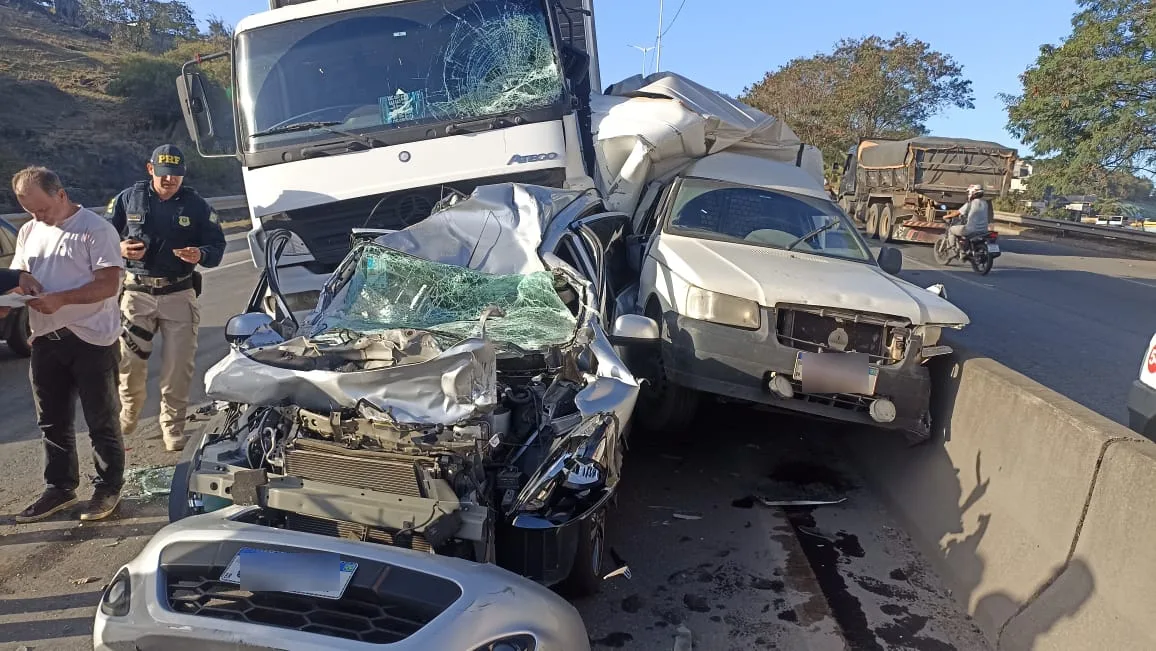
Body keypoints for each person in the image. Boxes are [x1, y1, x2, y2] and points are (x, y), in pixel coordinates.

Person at [7, 166, 127, 523]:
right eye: (30, 210)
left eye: (42, 208)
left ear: (61, 194)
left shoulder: (96, 229)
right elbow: (21, 276)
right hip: (44, 339)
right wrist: (15, 294)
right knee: (52, 422)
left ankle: (108, 487)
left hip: (92, 339)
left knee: (101, 420)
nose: (37, 216)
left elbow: (108, 285)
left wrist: (61, 300)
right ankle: (59, 488)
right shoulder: (29, 231)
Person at [105, 144, 226, 452]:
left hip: (178, 293)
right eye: (163, 175)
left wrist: (200, 253)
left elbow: (216, 246)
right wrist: (118, 249)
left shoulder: (197, 206)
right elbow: (102, 237)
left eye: (175, 176)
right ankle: (129, 413)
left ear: (183, 176)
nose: (169, 181)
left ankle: (173, 427)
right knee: (129, 363)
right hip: (137, 293)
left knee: (178, 367)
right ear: (151, 170)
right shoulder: (128, 198)